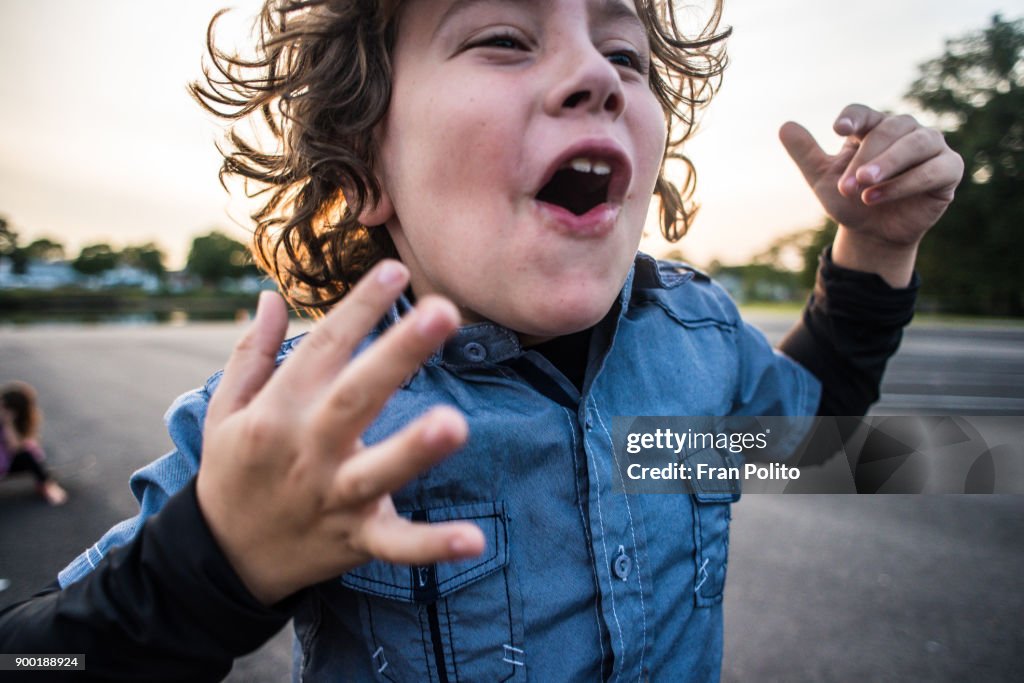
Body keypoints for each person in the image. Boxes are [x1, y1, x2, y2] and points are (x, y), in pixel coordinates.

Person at [0, 0, 963, 680]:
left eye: (624, 54)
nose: (594, 73)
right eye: (504, 36)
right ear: (364, 168)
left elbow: (816, 440)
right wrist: (214, 561)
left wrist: (875, 245)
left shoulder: (695, 345)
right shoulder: (304, 425)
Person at [1, 381, 68, 506]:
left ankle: (46, 484)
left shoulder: (15, 425)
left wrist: (8, 424)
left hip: (6, 463)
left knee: (28, 456)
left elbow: (15, 447)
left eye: (4, 408)